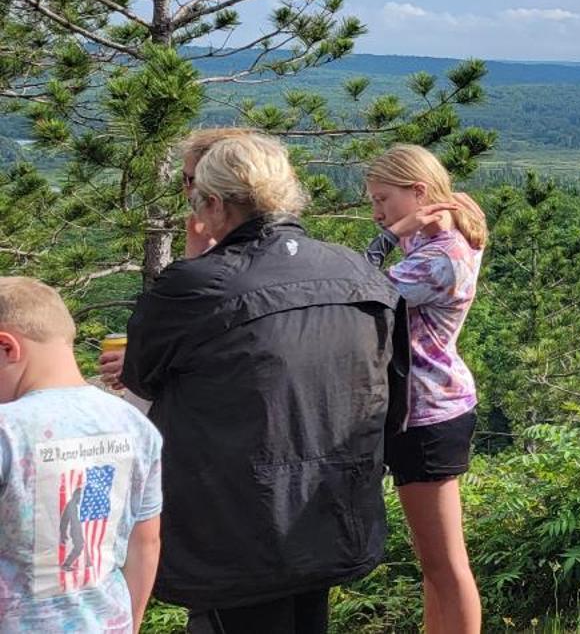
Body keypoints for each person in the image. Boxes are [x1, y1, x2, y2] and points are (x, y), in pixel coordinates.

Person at [122, 132, 401, 634]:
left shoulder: (194, 288)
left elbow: (139, 391)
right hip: (330, 509)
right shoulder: (358, 272)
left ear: (210, 202)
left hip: (234, 524)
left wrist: (193, 266)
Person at [364, 144, 489, 634]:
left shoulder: (438, 259)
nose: (377, 213)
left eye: (384, 200)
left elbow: (353, 290)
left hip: (429, 413)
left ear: (418, 192)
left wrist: (393, 234)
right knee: (433, 564)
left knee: (445, 564)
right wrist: (418, 223)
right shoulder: (446, 240)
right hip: (429, 409)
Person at [0, 277, 163, 633]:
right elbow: (145, 542)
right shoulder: (135, 425)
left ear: (7, 347)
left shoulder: (6, 429)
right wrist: (129, 625)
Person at [96, 127, 257, 404]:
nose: (187, 191)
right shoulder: (280, 252)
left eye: (190, 179)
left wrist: (138, 367)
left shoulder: (235, 261)